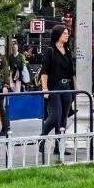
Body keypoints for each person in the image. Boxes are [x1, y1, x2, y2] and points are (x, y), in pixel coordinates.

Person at [39, 25, 75, 154]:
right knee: (55, 117)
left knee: (63, 118)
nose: (67, 35)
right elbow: (44, 70)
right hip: (54, 87)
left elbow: (72, 72)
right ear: (58, 34)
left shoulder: (68, 50)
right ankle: (41, 138)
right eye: (64, 33)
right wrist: (45, 88)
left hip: (67, 88)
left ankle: (59, 147)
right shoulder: (51, 50)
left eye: (67, 33)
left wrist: (74, 90)